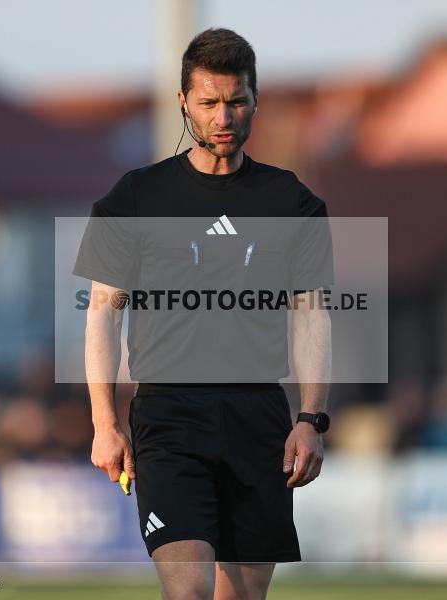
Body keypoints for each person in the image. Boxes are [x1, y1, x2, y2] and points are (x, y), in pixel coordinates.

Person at [74, 28, 333, 600]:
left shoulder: (292, 202)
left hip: (259, 417)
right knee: (188, 592)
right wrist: (104, 422)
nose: (223, 117)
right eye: (209, 102)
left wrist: (311, 419)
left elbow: (312, 316)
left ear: (256, 100)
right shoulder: (135, 198)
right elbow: (102, 314)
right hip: (169, 418)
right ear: (183, 103)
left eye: (237, 101)